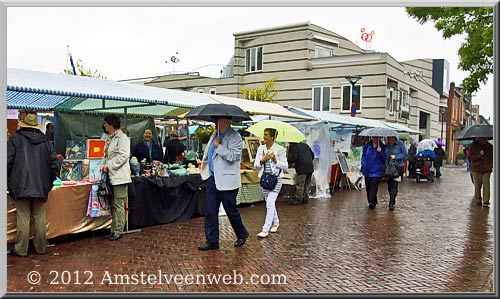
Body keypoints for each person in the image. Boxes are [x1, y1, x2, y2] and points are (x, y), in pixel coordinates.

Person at [7, 113, 59, 257]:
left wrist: (9, 183)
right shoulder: (46, 142)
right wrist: (48, 182)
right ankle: (41, 247)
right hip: (40, 186)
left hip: (20, 185)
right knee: (39, 217)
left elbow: (6, 163)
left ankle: (21, 250)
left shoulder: (15, 140)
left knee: (23, 217)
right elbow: (55, 164)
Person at [198, 117, 249, 250]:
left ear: (226, 121)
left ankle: (242, 233)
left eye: (217, 120)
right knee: (210, 211)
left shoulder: (235, 137)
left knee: (230, 210)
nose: (215, 123)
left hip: (227, 181)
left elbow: (234, 156)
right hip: (212, 178)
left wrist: (218, 146)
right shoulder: (215, 134)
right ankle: (212, 241)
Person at [101, 114, 132, 241]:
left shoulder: (122, 138)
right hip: (112, 176)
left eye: (106, 123)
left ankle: (118, 230)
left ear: (112, 124)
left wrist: (109, 165)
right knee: (114, 204)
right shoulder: (110, 138)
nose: (104, 125)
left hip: (120, 176)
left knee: (119, 204)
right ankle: (113, 229)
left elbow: (124, 155)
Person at [254, 128, 288, 238]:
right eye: (264, 135)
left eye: (266, 135)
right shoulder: (261, 148)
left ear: (272, 137)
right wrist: (262, 160)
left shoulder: (280, 149)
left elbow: (285, 166)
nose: (264, 137)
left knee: (269, 203)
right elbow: (256, 166)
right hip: (264, 180)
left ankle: (265, 229)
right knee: (270, 203)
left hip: (276, 180)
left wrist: (275, 161)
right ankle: (276, 221)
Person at [361, 136, 386, 209]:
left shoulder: (382, 146)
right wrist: (363, 163)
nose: (375, 139)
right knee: (368, 186)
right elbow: (364, 155)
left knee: (374, 185)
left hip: (376, 170)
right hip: (367, 169)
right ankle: (372, 201)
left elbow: (384, 158)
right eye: (374, 137)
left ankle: (372, 202)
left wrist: (380, 152)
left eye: (377, 137)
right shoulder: (367, 145)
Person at [384, 135, 408, 210]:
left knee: (394, 184)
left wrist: (396, 156)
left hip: (397, 167)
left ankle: (391, 202)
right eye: (387, 137)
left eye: (390, 137)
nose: (388, 139)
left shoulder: (400, 144)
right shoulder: (386, 145)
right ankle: (392, 198)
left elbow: (405, 154)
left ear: (394, 137)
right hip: (388, 167)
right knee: (389, 185)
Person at [468, 137, 493, 207]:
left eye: (485, 139)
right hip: (476, 168)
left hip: (487, 168)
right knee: (477, 185)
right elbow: (470, 157)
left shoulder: (490, 147)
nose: (484, 140)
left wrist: (490, 165)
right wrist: (479, 155)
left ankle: (486, 200)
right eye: (482, 139)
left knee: (486, 183)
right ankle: (478, 199)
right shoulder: (473, 146)